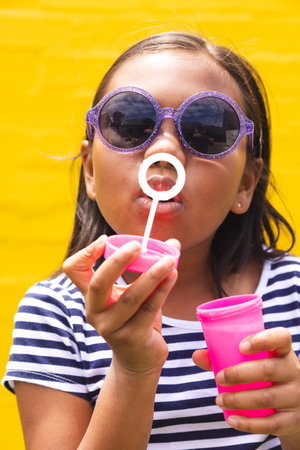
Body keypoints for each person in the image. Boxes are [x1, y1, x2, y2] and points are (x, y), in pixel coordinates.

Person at [3, 31, 300, 450]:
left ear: (245, 186)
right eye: (129, 123)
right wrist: (134, 368)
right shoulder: (57, 315)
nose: (165, 150)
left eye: (208, 130)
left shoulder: (296, 295)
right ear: (90, 171)